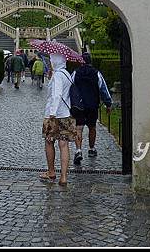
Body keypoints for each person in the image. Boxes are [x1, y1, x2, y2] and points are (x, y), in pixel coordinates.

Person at [40, 53, 77, 186]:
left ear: (55, 61)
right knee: (64, 145)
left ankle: (51, 172)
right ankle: (64, 177)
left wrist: (52, 114)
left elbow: (57, 95)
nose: (50, 62)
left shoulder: (57, 76)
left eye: (51, 60)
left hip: (55, 114)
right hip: (67, 114)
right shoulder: (67, 74)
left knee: (49, 141)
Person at [70, 52, 112, 165]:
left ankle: (78, 150)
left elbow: (69, 87)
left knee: (79, 128)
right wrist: (108, 103)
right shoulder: (96, 73)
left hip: (79, 105)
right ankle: (91, 148)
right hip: (92, 104)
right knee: (92, 127)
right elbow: (103, 89)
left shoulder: (75, 73)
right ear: (90, 61)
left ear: (81, 61)